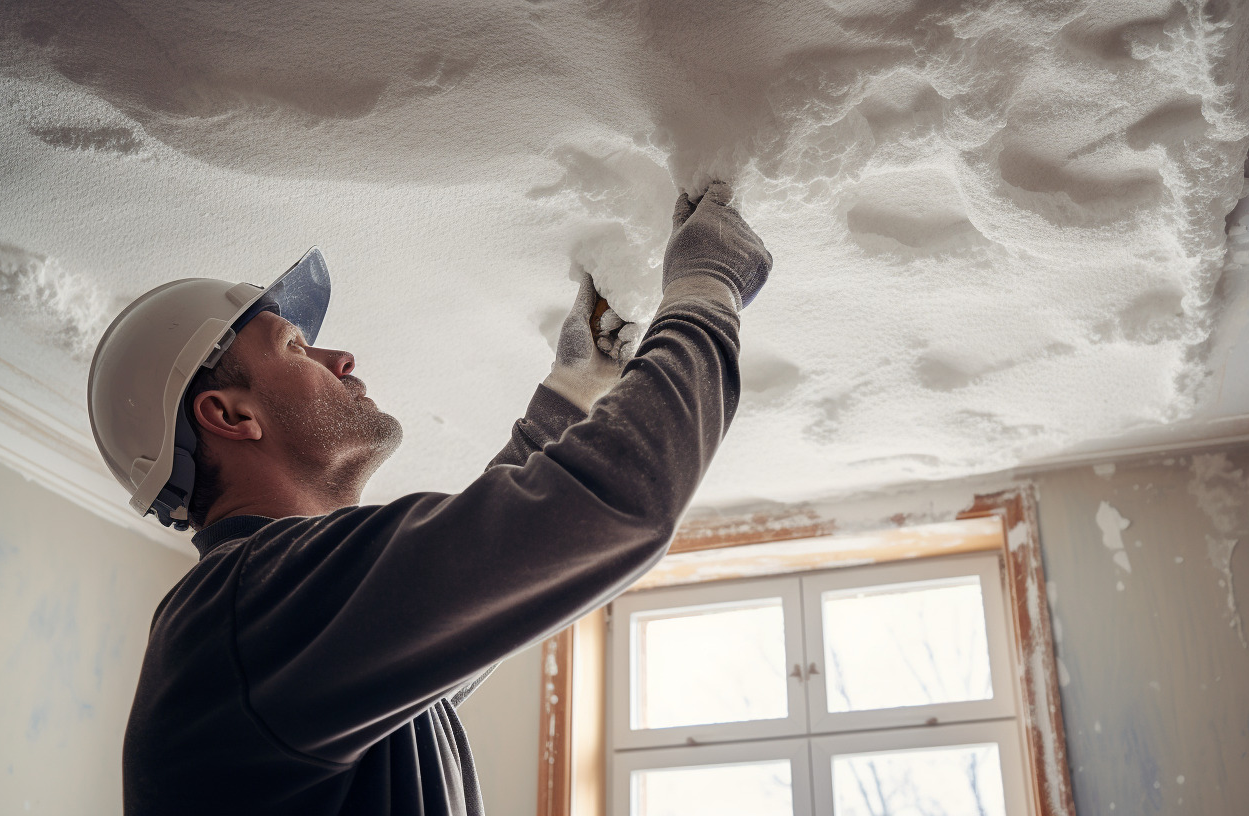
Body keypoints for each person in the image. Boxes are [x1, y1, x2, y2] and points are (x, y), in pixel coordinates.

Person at [85, 181, 772, 815]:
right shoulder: (250, 611)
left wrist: (575, 392)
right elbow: (614, 504)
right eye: (295, 347)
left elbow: (471, 594)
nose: (340, 359)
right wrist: (705, 290)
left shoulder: (267, 625)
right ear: (231, 416)